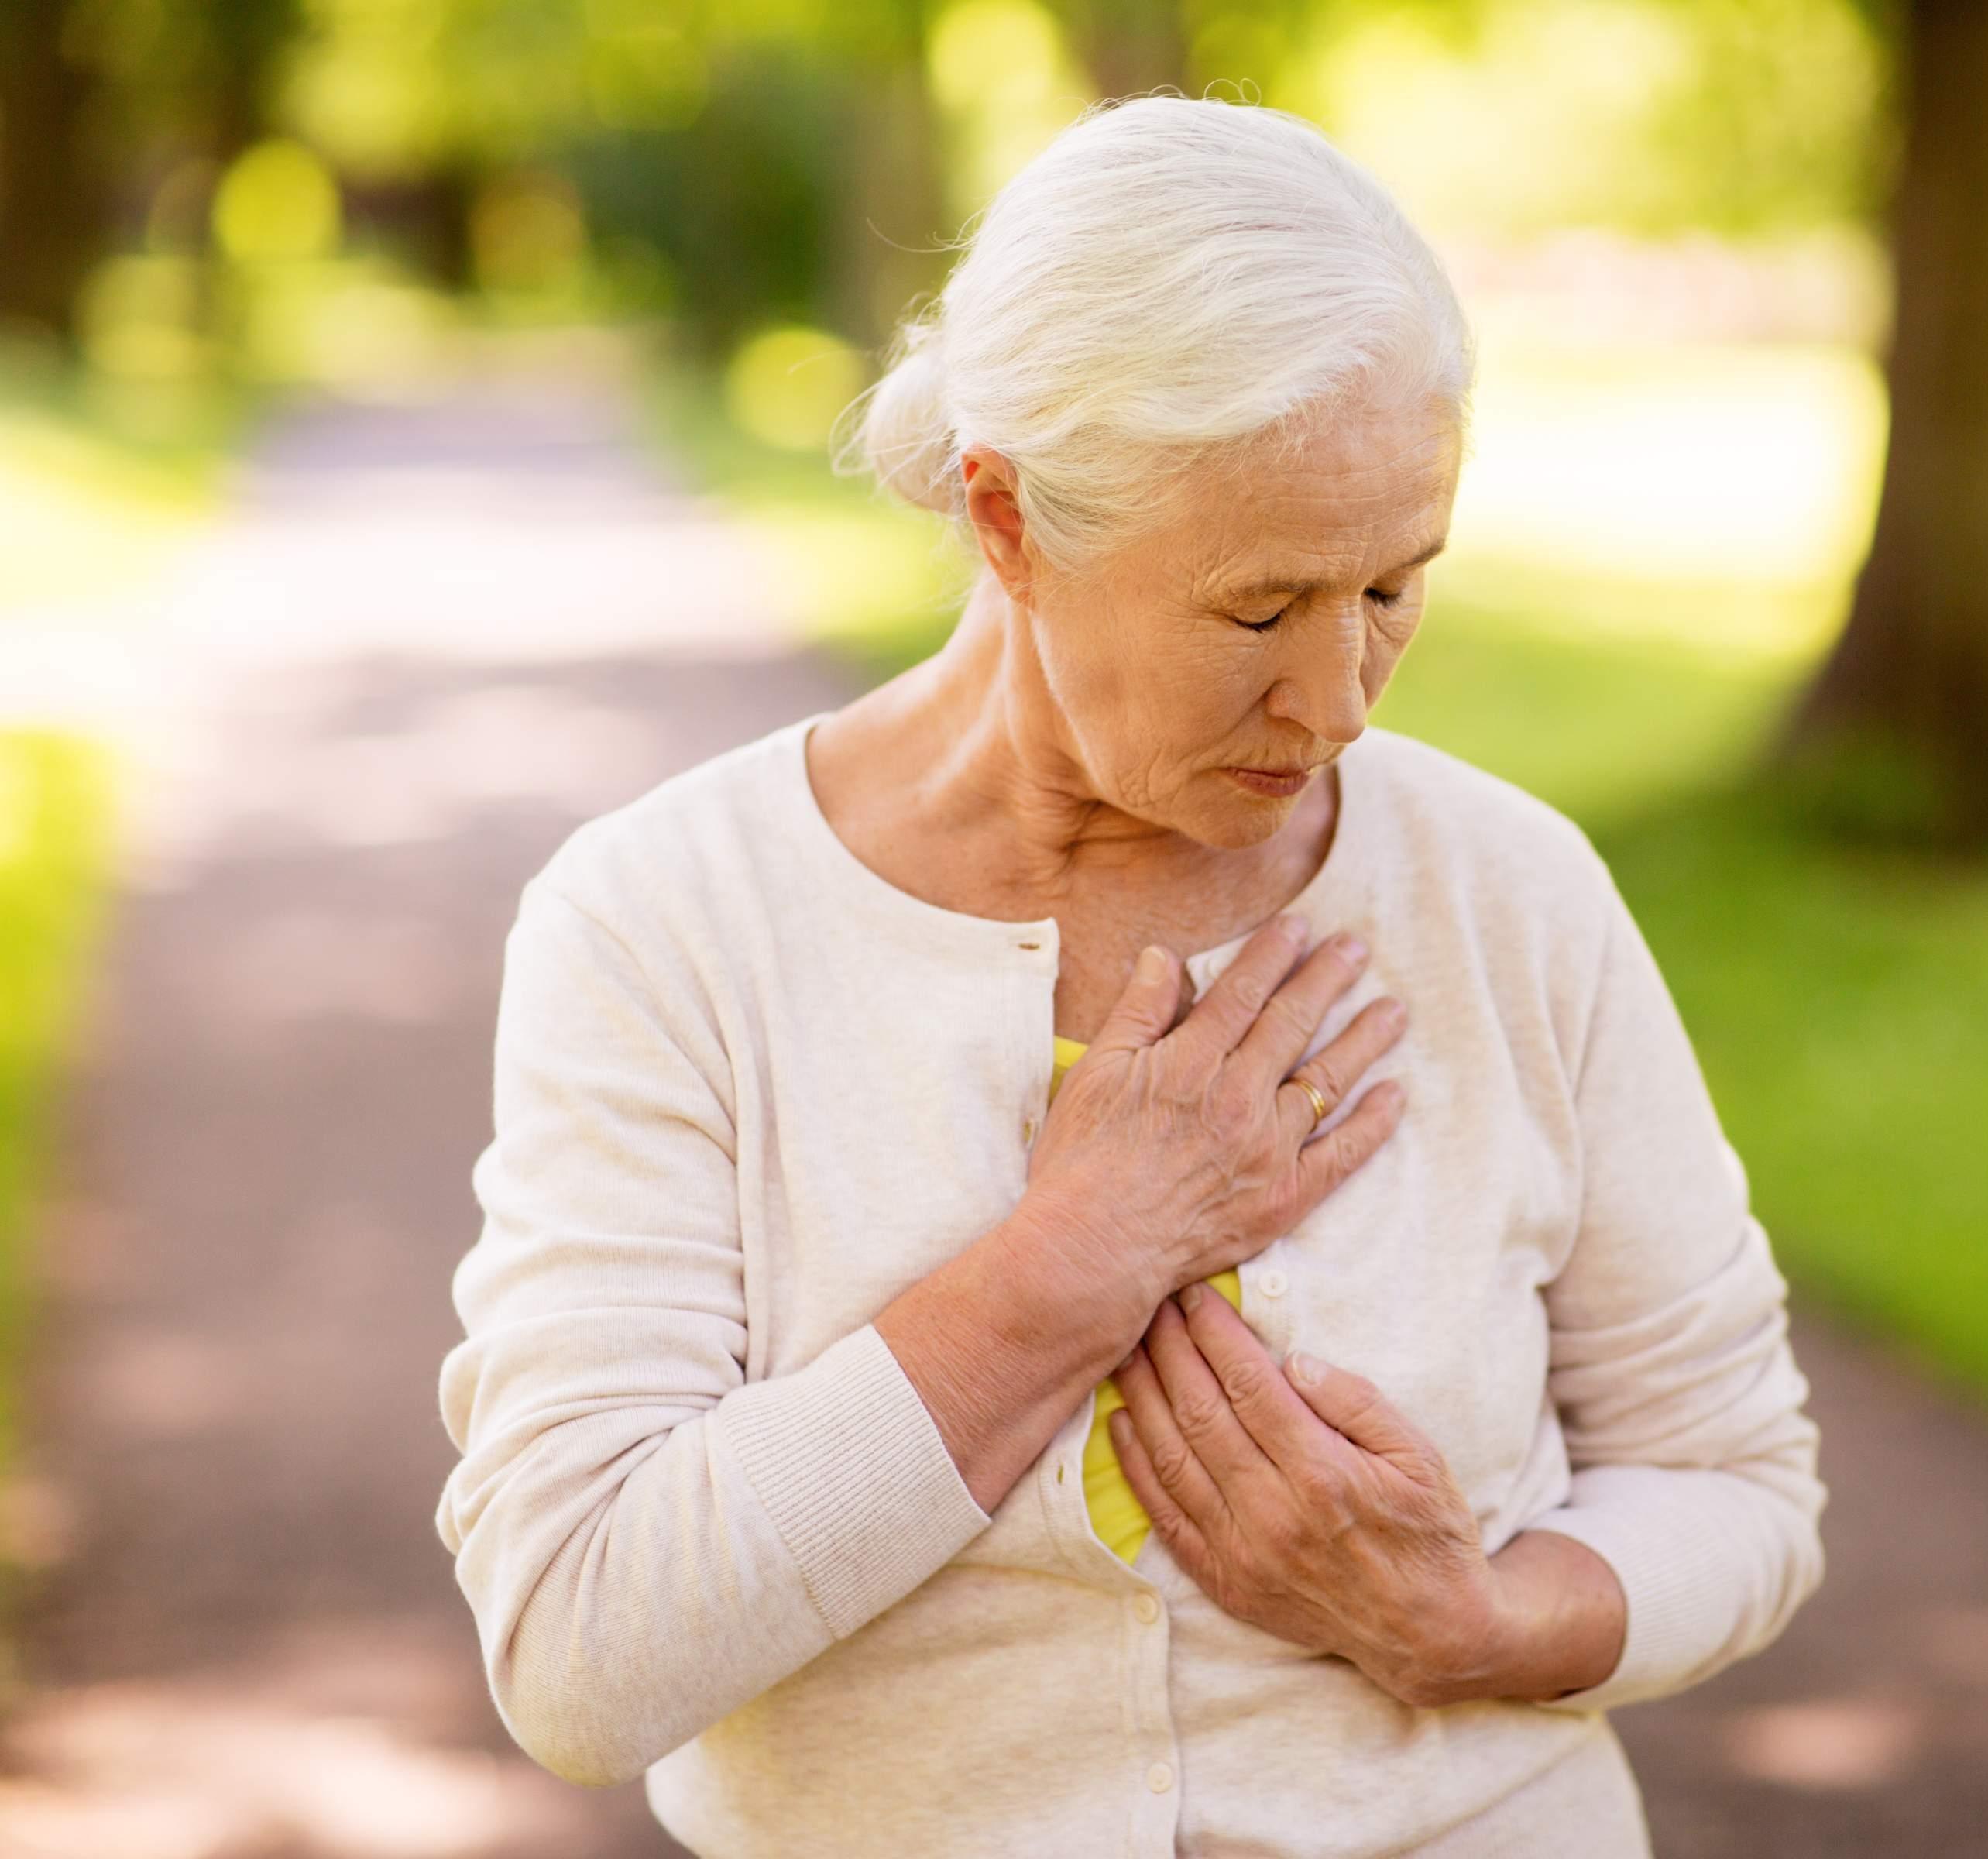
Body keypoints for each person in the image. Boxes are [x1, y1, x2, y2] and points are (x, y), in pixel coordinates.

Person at [433, 94, 1825, 1857]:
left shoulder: (1508, 894)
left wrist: (1479, 1626)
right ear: (1007, 521)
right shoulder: (665, 925)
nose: (1340, 703)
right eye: (1259, 611)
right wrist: (1070, 1264)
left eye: (1396, 587)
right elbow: (580, 1651)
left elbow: (1737, 1485)